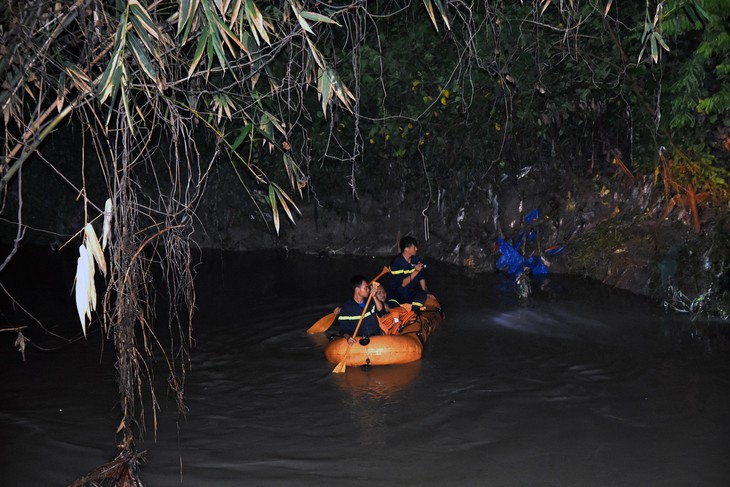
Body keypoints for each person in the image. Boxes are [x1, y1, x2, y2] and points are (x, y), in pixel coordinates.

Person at [337, 275, 388, 343]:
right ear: (357, 290)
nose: (368, 290)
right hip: (360, 341)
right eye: (366, 288)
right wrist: (348, 338)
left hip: (376, 339)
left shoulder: (370, 300)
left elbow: (380, 310)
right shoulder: (347, 308)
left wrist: (374, 296)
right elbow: (343, 330)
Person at [388, 236, 430, 309]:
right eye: (414, 247)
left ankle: (417, 308)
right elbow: (403, 284)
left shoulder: (415, 259)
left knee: (422, 295)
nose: (416, 249)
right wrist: (416, 271)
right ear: (407, 249)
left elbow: (421, 277)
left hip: (412, 290)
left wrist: (424, 292)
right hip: (399, 294)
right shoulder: (396, 263)